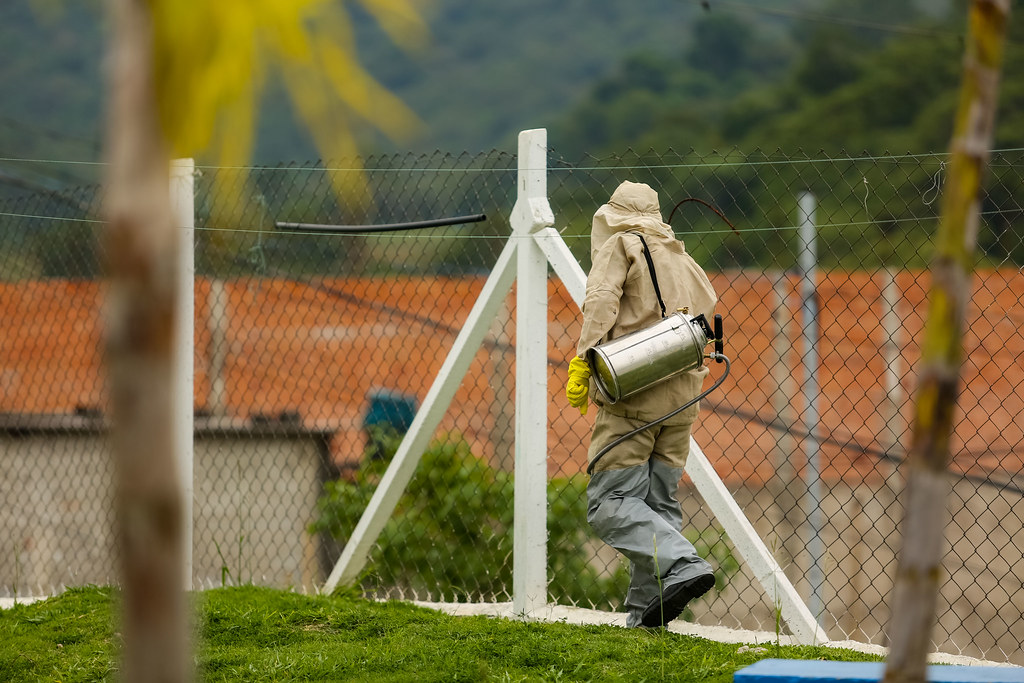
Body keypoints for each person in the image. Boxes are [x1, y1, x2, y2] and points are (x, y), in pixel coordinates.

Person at [565, 180, 718, 628]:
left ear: (613, 216)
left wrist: (584, 359)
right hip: (684, 396)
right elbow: (706, 308)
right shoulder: (679, 254)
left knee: (609, 501)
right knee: (658, 504)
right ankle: (645, 618)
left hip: (635, 393)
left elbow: (602, 300)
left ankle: (684, 563)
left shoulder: (621, 245)